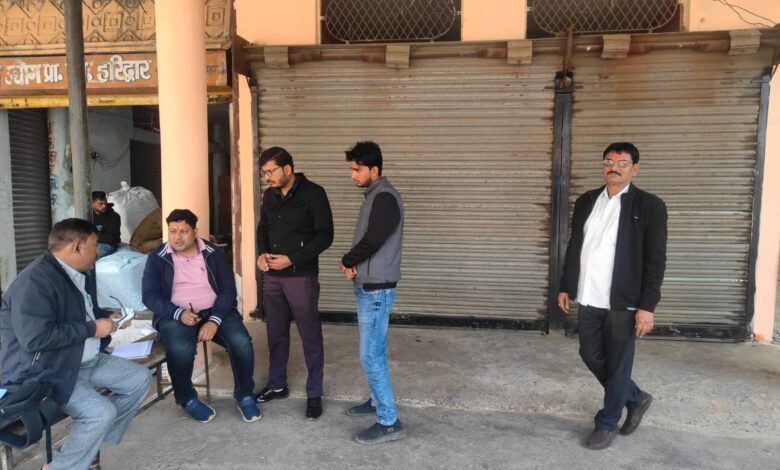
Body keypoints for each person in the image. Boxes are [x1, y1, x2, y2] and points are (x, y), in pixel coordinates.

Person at [0, 218, 152, 470]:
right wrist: (92, 328)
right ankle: (61, 466)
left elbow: (76, 312)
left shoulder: (74, 272)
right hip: (50, 371)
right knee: (101, 413)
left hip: (84, 358)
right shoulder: (35, 282)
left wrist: (104, 316)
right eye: (94, 245)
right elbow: (35, 338)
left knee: (139, 379)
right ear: (77, 247)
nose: (98, 251)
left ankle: (84, 448)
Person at [557, 142, 667, 450]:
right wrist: (567, 285)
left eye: (622, 163)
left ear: (635, 169)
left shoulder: (650, 206)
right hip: (589, 294)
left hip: (624, 300)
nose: (614, 167)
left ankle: (607, 422)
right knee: (589, 354)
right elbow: (575, 246)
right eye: (608, 161)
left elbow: (656, 260)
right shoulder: (587, 200)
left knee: (619, 363)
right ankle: (635, 397)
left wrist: (647, 306)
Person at [142, 209, 261, 423]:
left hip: (215, 310)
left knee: (241, 342)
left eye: (184, 231)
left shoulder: (213, 253)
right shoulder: (157, 257)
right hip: (175, 314)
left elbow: (228, 289)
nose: (177, 237)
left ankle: (245, 395)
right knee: (181, 350)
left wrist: (214, 320)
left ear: (195, 232)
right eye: (173, 231)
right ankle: (186, 398)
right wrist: (177, 313)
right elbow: (149, 295)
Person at [255, 147, 334, 419]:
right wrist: (262, 254)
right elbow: (263, 228)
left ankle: (314, 393)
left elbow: (325, 236)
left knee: (309, 335)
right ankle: (277, 385)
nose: (267, 177)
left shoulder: (314, 193)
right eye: (263, 172)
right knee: (275, 333)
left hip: (301, 277)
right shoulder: (270, 195)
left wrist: (292, 259)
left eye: (271, 171)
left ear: (287, 169)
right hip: (273, 277)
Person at [339, 141, 406, 445]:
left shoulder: (385, 198)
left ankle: (389, 422)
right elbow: (371, 241)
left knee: (370, 354)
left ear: (374, 169)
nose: (352, 175)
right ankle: (378, 400)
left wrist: (348, 260)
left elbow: (374, 239)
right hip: (369, 285)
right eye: (351, 169)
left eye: (357, 169)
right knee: (374, 350)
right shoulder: (374, 196)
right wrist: (356, 265)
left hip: (377, 290)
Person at [91, 191, 121, 259]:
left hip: (107, 244)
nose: (104, 206)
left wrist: (92, 236)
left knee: (90, 257)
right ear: (92, 204)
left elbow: (111, 238)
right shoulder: (88, 215)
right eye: (100, 204)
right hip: (91, 242)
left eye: (105, 203)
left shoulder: (114, 217)